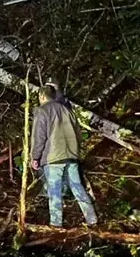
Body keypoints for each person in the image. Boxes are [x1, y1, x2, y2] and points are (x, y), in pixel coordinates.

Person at [30, 85, 97, 227]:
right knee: (78, 188)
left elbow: (39, 137)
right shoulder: (68, 110)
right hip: (71, 156)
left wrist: (35, 157)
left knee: (54, 191)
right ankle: (92, 220)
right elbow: (79, 135)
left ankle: (56, 225)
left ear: (42, 96)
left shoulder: (42, 111)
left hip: (53, 158)